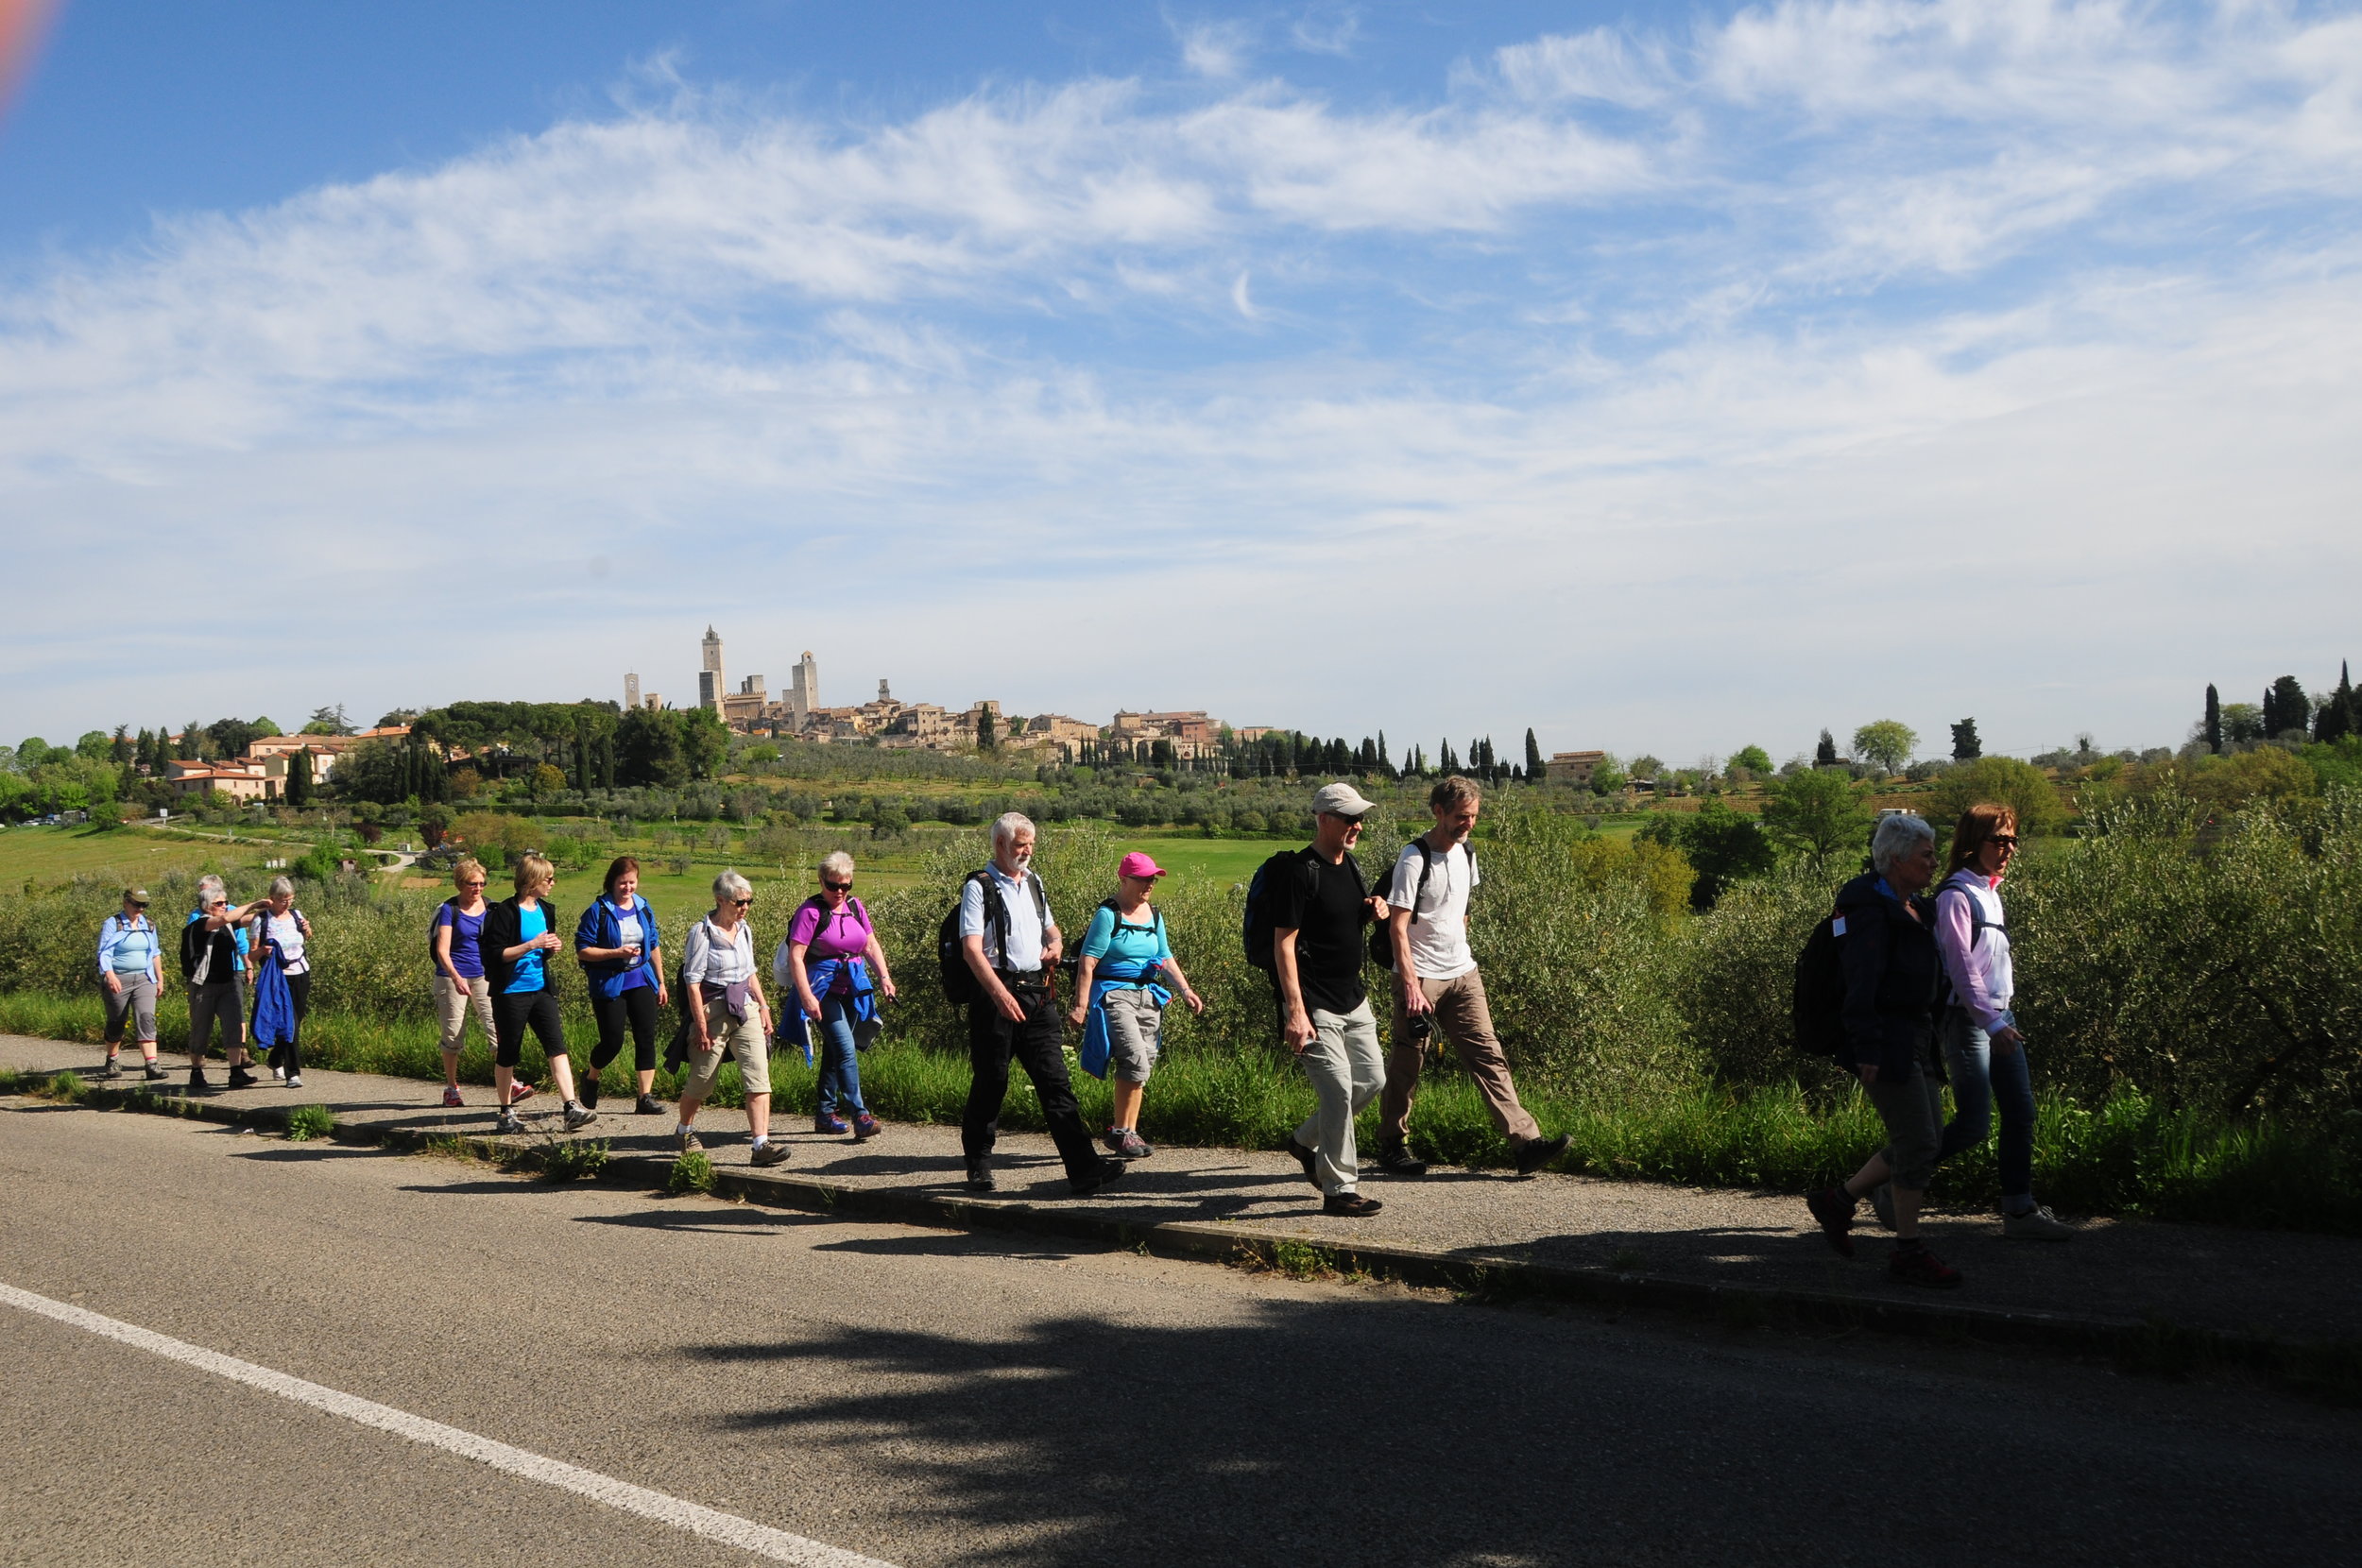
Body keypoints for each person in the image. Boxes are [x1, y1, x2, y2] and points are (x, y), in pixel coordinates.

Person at [1376, 776, 1571, 1179]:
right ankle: (1392, 1145)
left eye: (1474, 817)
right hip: (1420, 978)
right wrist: (1411, 985)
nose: (1468, 824)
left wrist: (1460, 952)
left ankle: (1526, 1144)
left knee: (1489, 1055)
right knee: (1407, 1064)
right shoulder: (1414, 858)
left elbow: (1461, 909)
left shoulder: (1467, 852)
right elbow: (1398, 927)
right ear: (1439, 812)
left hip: (1463, 974)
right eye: (1462, 817)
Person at [1805, 813, 1962, 1288]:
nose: (1935, 863)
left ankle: (1838, 1200)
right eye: (1927, 856)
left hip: (1916, 1035)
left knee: (1927, 1135)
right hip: (1884, 1040)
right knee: (1918, 1142)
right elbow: (1862, 984)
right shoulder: (1867, 910)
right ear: (1896, 860)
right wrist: (1867, 1047)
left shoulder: (1915, 905)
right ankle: (1907, 1252)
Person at [957, 813, 1124, 1196]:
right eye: (1020, 845)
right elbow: (970, 949)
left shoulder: (1034, 882)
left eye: (1030, 844)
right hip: (994, 997)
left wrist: (1056, 944)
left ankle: (1084, 1169)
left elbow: (1052, 929)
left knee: (1055, 1083)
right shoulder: (978, 887)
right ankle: (978, 1165)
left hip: (1036, 995)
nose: (1027, 851)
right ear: (1000, 845)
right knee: (991, 1082)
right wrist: (999, 995)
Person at [1929, 804, 2073, 1241]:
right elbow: (1961, 967)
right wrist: (1991, 1023)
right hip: (1969, 1021)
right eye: (2000, 839)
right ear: (1973, 843)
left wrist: (1999, 1017)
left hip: (1998, 1016)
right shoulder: (1956, 895)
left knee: (2021, 1113)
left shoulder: (1991, 890)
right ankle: (1890, 1176)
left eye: (2013, 839)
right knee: (1973, 1124)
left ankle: (2019, 1212)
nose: (2009, 847)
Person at [1273, 782, 1394, 1218]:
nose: (1357, 826)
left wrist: (1373, 908)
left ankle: (1304, 1141)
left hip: (1352, 998)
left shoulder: (1350, 865)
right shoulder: (1300, 872)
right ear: (1324, 819)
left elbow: (1341, 921)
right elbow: (1284, 945)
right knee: (1339, 1090)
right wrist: (1296, 1012)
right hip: (1314, 1003)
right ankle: (1339, 1189)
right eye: (1349, 818)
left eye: (1360, 818)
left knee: (1373, 1081)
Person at [1066, 851, 1203, 1159]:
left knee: (1143, 1065)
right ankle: (1121, 1131)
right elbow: (1088, 961)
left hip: (1148, 997)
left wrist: (1185, 990)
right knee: (1135, 1058)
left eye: (1153, 878)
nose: (1149, 884)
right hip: (1114, 995)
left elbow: (1165, 957)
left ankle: (1125, 1132)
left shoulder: (1154, 914)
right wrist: (1080, 1005)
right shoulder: (1108, 915)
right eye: (1143, 878)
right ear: (1124, 878)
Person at [779, 851, 896, 1140]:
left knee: (834, 1051)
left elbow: (870, 944)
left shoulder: (855, 907)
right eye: (833, 886)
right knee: (844, 1047)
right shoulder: (810, 912)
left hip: (852, 987)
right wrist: (806, 997)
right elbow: (796, 956)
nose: (840, 892)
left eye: (846, 885)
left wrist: (884, 977)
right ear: (821, 881)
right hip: (822, 990)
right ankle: (861, 1114)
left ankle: (825, 1113)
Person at [676, 869, 786, 1166]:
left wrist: (763, 1007)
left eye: (749, 901)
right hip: (713, 1012)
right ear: (720, 900)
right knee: (702, 1080)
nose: (745, 907)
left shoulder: (744, 928)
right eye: (739, 902)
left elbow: (750, 972)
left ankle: (760, 1145)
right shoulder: (701, 933)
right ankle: (684, 1129)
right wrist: (700, 1027)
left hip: (745, 1007)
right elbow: (693, 983)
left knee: (758, 1074)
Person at [478, 853, 594, 1134]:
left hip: (541, 989)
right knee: (508, 1052)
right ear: (532, 881)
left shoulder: (546, 909)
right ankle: (505, 1112)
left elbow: (541, 951)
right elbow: (494, 956)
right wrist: (532, 944)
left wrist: (549, 949)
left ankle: (571, 1107)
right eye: (548, 878)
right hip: (511, 993)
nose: (553, 883)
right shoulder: (503, 912)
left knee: (557, 1047)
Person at [574, 856, 668, 1116]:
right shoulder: (598, 910)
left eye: (632, 882)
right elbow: (583, 951)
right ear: (612, 882)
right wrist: (615, 952)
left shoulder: (643, 907)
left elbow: (654, 944)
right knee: (612, 1040)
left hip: (641, 979)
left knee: (646, 1037)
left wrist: (661, 982)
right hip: (610, 983)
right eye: (622, 882)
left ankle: (644, 1097)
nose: (628, 887)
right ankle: (591, 1077)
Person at [430, 859, 509, 1110]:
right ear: (459, 884)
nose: (478, 888)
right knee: (453, 1035)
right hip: (452, 975)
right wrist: (456, 977)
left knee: (498, 1031)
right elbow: (443, 950)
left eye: (482, 883)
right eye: (472, 884)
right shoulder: (449, 909)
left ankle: (509, 1086)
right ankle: (451, 1088)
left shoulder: (491, 908)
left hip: (484, 976)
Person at [179, 875, 264, 1091]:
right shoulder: (200, 924)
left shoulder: (226, 923)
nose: (224, 906)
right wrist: (253, 904)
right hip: (203, 984)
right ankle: (196, 1072)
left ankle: (236, 1072)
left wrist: (271, 909)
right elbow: (225, 920)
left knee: (234, 1025)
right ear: (206, 907)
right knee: (201, 1028)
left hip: (228, 981)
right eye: (219, 904)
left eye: (226, 903)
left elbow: (248, 919)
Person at [245, 877, 314, 1088]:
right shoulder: (261, 920)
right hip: (278, 977)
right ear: (272, 898)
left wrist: (308, 928)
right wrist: (262, 951)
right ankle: (293, 1073)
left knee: (297, 1020)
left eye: (290, 899)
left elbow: (307, 937)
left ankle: (275, 1059)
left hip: (301, 972)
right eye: (283, 900)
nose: (287, 904)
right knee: (290, 1022)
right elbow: (251, 954)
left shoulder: (296, 915)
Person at [95, 887, 167, 1082]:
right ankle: (112, 1059)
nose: (141, 909)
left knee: (146, 1018)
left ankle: (152, 1064)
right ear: (126, 902)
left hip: (144, 980)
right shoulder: (113, 923)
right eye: (137, 904)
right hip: (118, 979)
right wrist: (110, 976)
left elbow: (155, 952)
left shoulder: (149, 924)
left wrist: (159, 978)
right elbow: (104, 953)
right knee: (117, 1022)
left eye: (144, 905)